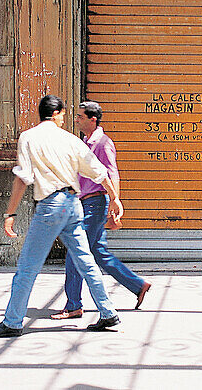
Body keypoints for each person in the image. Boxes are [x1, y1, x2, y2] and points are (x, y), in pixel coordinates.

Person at [0, 94, 124, 338]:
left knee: (28, 266)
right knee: (86, 261)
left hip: (51, 205)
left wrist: (10, 212)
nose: (66, 118)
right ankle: (107, 312)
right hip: (73, 204)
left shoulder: (29, 137)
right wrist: (114, 198)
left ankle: (13, 321)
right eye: (64, 114)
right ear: (56, 113)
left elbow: (22, 178)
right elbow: (99, 172)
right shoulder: (70, 139)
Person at [51, 100, 151, 319]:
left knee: (75, 251)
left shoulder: (103, 143)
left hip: (95, 203)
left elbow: (112, 173)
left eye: (80, 117)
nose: (76, 120)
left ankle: (73, 305)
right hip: (85, 202)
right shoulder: (86, 142)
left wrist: (116, 202)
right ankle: (138, 285)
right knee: (98, 253)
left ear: (92, 119)